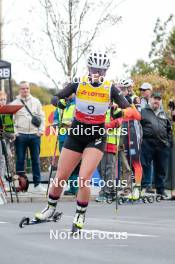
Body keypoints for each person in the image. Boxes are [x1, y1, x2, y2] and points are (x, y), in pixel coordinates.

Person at [34, 51, 140, 233]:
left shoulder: (110, 88)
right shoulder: (78, 82)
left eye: (102, 70)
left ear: (106, 72)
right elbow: (55, 97)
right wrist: (59, 102)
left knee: (84, 179)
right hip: (76, 134)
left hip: (96, 136)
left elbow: (135, 113)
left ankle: (80, 213)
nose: (97, 72)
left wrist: (121, 113)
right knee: (61, 176)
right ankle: (50, 208)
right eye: (94, 68)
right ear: (89, 69)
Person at [12, 81, 46, 192]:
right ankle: (19, 187)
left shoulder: (36, 102)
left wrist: (40, 131)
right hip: (20, 135)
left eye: (27, 88)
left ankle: (37, 185)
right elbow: (9, 120)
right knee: (20, 161)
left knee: (35, 160)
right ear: (19, 90)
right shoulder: (14, 103)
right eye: (23, 88)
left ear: (29, 89)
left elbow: (42, 117)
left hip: (34, 135)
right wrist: (15, 132)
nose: (25, 90)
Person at [140, 92, 172, 198]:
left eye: (158, 99)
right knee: (145, 165)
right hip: (147, 142)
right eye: (154, 98)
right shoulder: (143, 112)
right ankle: (145, 187)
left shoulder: (164, 114)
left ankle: (160, 190)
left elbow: (169, 129)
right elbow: (137, 127)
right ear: (150, 100)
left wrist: (169, 142)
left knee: (161, 168)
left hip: (162, 145)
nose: (156, 101)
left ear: (161, 101)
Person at [118, 79, 142, 200]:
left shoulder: (135, 99)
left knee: (134, 161)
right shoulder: (117, 99)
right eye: (120, 89)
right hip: (121, 132)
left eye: (124, 88)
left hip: (133, 131)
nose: (122, 91)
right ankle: (126, 188)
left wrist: (129, 107)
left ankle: (137, 189)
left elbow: (138, 116)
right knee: (124, 161)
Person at [96, 104, 122, 202]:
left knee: (108, 169)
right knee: (101, 169)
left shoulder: (115, 109)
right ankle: (109, 190)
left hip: (111, 143)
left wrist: (103, 126)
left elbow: (118, 122)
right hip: (99, 143)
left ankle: (106, 192)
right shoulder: (100, 108)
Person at [53, 94, 79, 195]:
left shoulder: (78, 103)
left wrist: (70, 125)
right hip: (62, 137)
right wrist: (56, 123)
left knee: (74, 164)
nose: (67, 94)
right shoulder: (61, 104)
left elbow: (79, 119)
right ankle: (72, 187)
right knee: (65, 165)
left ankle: (75, 188)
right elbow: (56, 117)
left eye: (70, 92)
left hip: (73, 137)